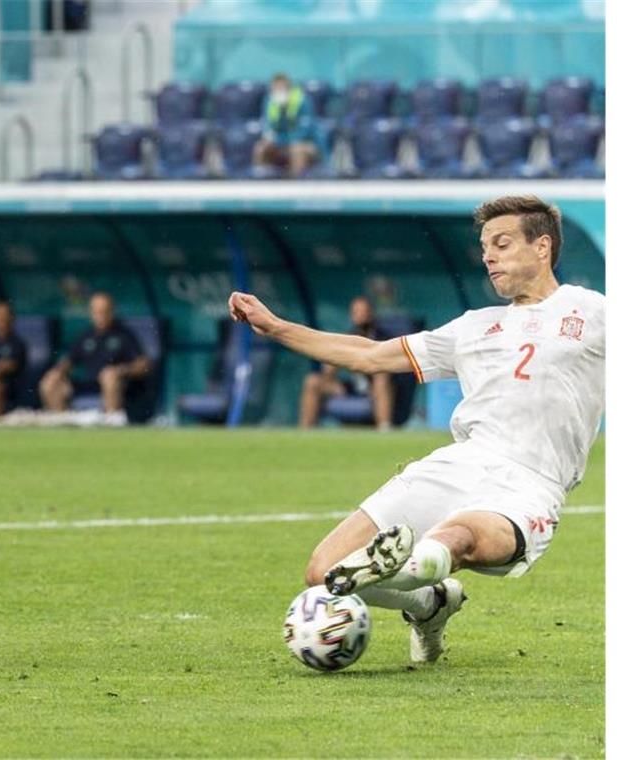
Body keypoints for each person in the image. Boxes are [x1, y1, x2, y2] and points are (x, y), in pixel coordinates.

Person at [228, 195, 604, 663]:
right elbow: (368, 355)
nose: (488, 255)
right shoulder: (473, 328)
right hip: (458, 463)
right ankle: (428, 604)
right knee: (323, 570)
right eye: (485, 246)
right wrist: (278, 327)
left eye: (501, 244)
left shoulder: (591, 311)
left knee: (455, 542)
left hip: (528, 483)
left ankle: (421, 571)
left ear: (542, 246)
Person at [39, 292, 150, 427]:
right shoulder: (86, 336)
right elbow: (69, 361)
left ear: (112, 312)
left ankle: (112, 424)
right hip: (88, 384)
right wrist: (57, 372)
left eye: (104, 311)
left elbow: (143, 365)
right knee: (51, 380)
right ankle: (61, 424)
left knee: (108, 376)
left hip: (119, 387)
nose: (101, 316)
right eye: (97, 312)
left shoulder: (124, 335)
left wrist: (119, 370)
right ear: (91, 313)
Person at [298, 296, 393, 430]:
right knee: (313, 381)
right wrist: (330, 382)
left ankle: (384, 428)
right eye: (356, 312)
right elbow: (330, 368)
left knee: (381, 377)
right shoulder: (350, 337)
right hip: (354, 387)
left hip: (377, 388)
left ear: (371, 314)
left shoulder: (383, 338)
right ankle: (305, 431)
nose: (360, 316)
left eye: (363, 312)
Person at [252, 73, 321, 178]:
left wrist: (284, 140)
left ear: (289, 88)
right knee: (260, 148)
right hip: (280, 143)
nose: (279, 91)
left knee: (296, 149)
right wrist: (269, 136)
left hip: (304, 144)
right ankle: (260, 185)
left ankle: (295, 185)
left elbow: (306, 129)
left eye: (282, 88)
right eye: (276, 89)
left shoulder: (301, 100)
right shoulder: (270, 101)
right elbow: (266, 124)